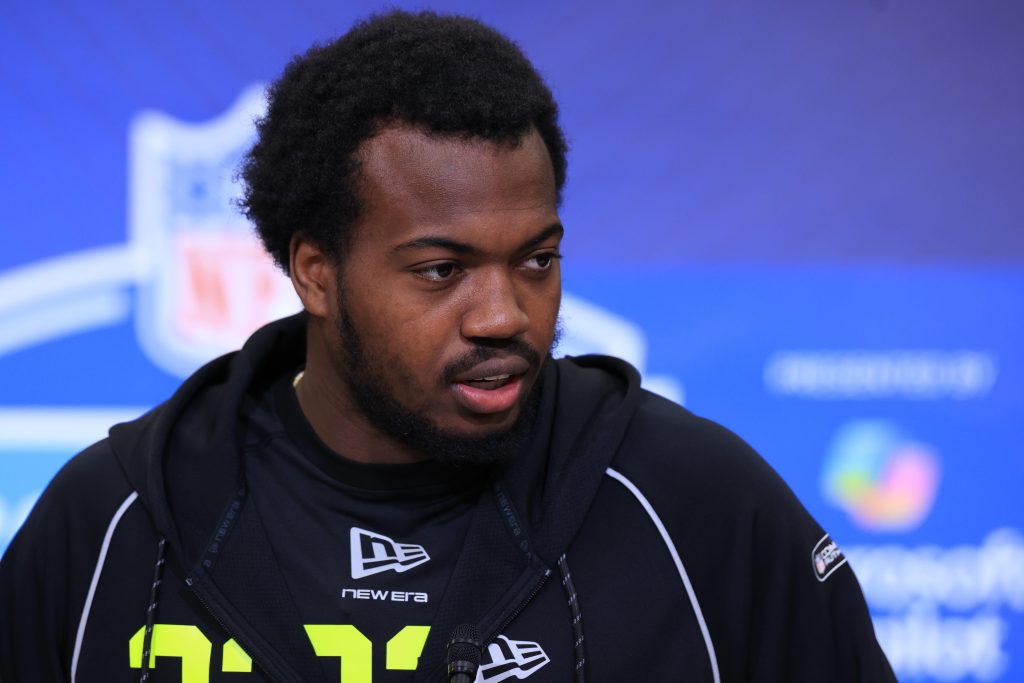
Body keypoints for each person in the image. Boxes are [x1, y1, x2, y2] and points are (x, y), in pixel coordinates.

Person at [0, 10, 897, 682]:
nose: (505, 315)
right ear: (316, 272)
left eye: (537, 260)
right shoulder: (116, 519)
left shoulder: (697, 503)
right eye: (441, 270)